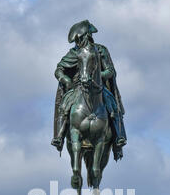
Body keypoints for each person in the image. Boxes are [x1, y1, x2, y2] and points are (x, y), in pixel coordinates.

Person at [51, 19, 127, 161]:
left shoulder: (101, 50)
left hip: (98, 86)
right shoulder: (74, 52)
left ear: (86, 36)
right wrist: (65, 79)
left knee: (112, 105)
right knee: (64, 106)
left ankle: (118, 137)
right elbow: (59, 69)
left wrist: (98, 76)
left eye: (79, 38)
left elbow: (110, 71)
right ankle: (59, 136)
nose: (78, 42)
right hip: (77, 87)